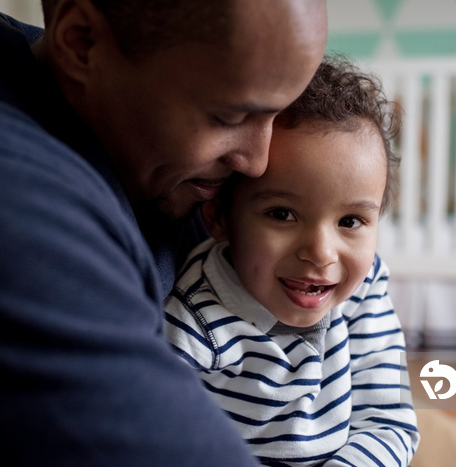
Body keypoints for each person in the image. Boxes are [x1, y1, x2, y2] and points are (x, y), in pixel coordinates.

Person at [0, 0, 327, 465]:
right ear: (83, 42)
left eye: (277, 117)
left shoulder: (167, 173)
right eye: (228, 117)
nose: (256, 162)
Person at [164, 58, 420, 466]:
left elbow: (389, 422)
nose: (320, 252)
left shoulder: (365, 288)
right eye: (282, 214)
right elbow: (161, 443)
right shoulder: (196, 319)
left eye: (350, 221)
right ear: (219, 218)